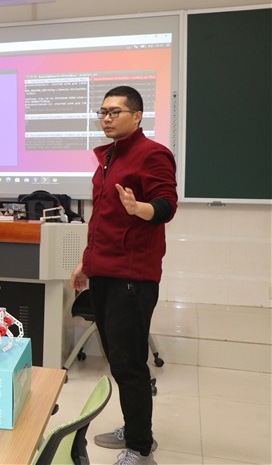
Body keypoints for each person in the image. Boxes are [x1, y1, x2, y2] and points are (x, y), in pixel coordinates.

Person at [69, 86, 177, 465]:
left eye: (115, 112)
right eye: (102, 112)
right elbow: (102, 219)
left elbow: (166, 205)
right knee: (118, 360)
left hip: (132, 275)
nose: (107, 118)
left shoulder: (152, 154)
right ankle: (135, 429)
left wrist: (140, 208)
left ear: (137, 116)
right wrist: (86, 263)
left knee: (129, 364)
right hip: (104, 270)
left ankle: (141, 448)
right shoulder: (110, 156)